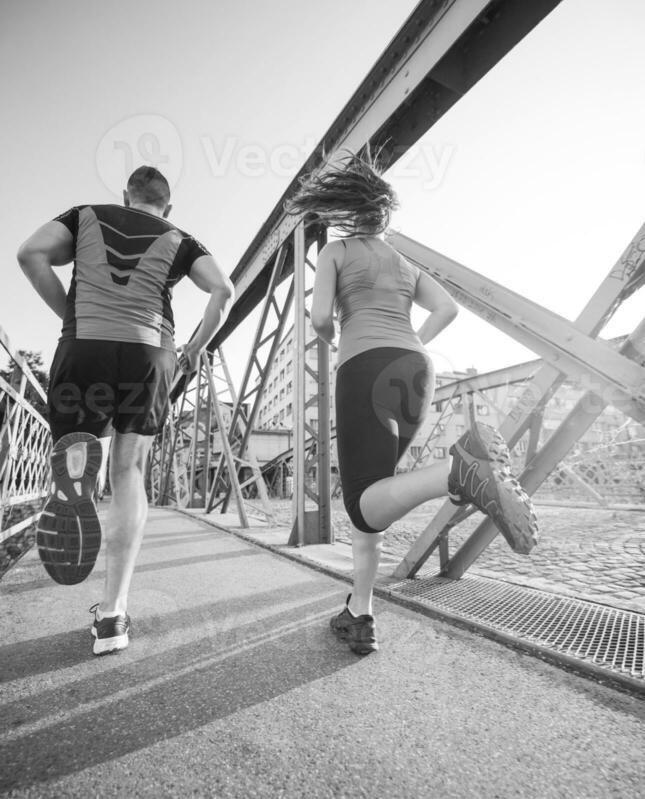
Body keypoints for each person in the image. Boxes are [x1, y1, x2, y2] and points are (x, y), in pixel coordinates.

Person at [286, 151, 538, 656]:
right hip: (415, 367)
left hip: (365, 366)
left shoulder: (336, 253)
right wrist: (412, 339)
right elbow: (447, 307)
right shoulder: (405, 262)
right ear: (384, 216)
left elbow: (316, 320)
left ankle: (459, 472)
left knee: (360, 501)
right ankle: (361, 613)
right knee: (376, 498)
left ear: (349, 212)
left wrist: (340, 333)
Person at [17, 166, 234, 655]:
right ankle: (113, 617)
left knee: (80, 446)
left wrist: (72, 316)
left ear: (126, 197)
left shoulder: (84, 214)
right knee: (130, 469)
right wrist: (197, 346)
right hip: (149, 352)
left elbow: (29, 254)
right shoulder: (181, 237)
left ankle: (76, 477)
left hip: (84, 347)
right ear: (167, 207)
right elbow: (224, 290)